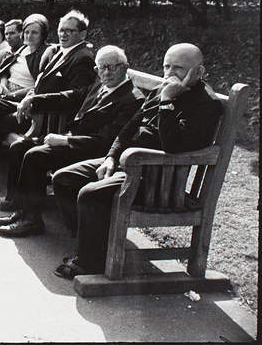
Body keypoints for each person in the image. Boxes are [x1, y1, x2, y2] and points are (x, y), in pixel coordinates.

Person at [51, 43, 222, 278]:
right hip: (128, 164)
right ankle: (95, 244)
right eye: (167, 66)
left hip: (157, 181)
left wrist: (167, 101)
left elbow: (173, 146)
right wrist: (110, 158)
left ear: (199, 72)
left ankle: (89, 262)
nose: (170, 74)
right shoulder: (161, 90)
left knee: (90, 193)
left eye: (179, 68)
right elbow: (128, 128)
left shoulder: (206, 104)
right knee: (64, 179)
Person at [0, 46, 144, 237]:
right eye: (101, 68)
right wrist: (34, 100)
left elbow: (105, 141)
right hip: (75, 140)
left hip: (93, 151)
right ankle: (23, 208)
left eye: (112, 67)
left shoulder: (132, 99)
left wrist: (65, 141)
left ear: (125, 67)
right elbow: (72, 96)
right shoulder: (100, 84)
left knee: (35, 156)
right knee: (19, 147)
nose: (106, 73)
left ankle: (32, 220)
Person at [0, 10, 97, 191]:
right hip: (35, 108)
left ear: (83, 34)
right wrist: (31, 96)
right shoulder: (64, 52)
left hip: (50, 119)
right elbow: (40, 83)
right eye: (61, 30)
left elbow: (76, 96)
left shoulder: (83, 57)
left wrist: (34, 101)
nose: (63, 34)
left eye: (69, 31)